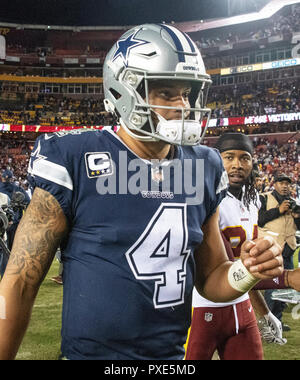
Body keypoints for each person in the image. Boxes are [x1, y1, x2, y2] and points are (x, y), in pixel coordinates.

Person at [0, 24, 282, 360]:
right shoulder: (76, 158)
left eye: (187, 93)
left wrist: (246, 270)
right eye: (166, 93)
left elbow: (211, 279)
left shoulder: (203, 165)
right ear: (123, 91)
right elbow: (20, 282)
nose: (182, 105)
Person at [185, 133, 285, 361]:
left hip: (241, 305)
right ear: (215, 159)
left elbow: (245, 266)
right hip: (201, 305)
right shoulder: (205, 200)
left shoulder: (252, 201)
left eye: (244, 158)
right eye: (229, 157)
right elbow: (230, 267)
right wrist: (287, 278)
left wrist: (265, 313)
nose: (237, 165)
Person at [258, 173, 300, 330]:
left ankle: (279, 321)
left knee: (284, 289)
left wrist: (297, 216)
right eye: (281, 183)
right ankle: (268, 325)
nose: (284, 186)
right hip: (271, 249)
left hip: (288, 250)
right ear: (274, 184)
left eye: (287, 184)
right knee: (272, 287)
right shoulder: (263, 198)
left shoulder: (293, 202)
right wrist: (278, 210)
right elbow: (259, 219)